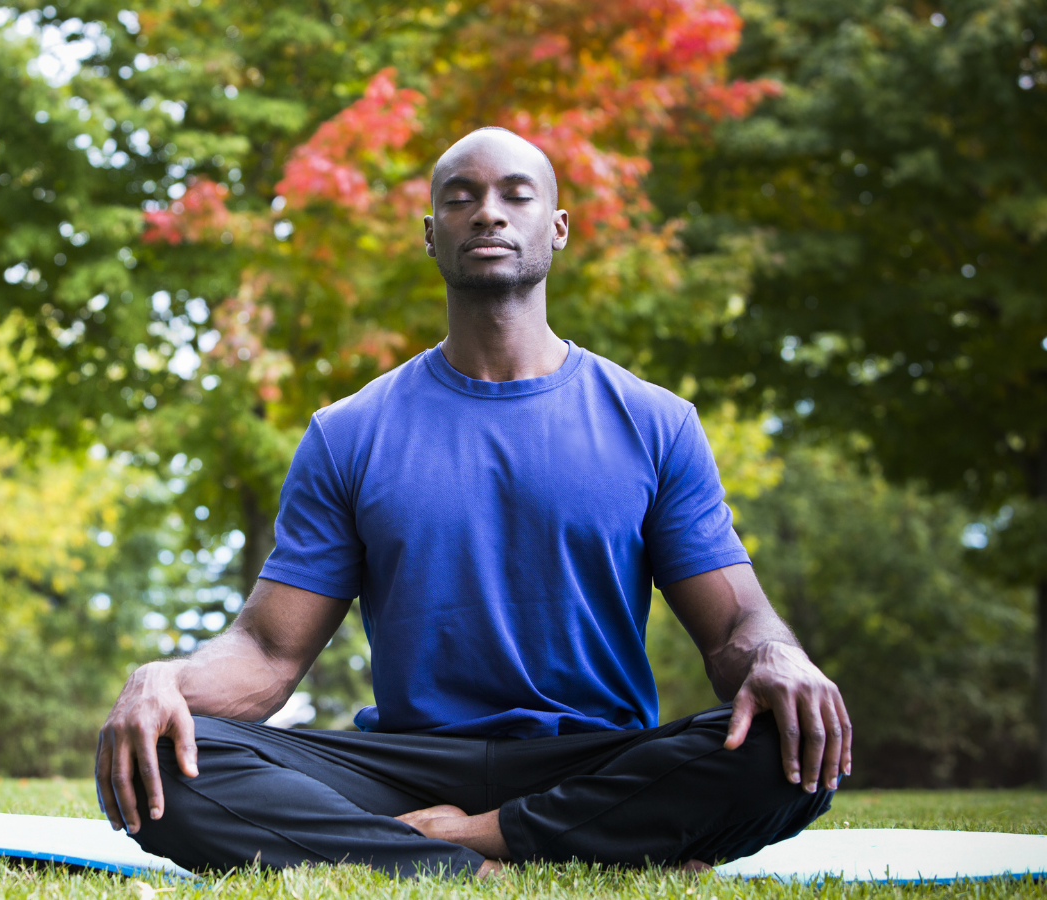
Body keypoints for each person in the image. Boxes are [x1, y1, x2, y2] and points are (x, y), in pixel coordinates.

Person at [94, 127, 849, 878]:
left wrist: (778, 656)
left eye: (516, 195)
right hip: (406, 765)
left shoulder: (656, 423)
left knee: (787, 738)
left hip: (595, 759)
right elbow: (267, 653)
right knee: (162, 757)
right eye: (461, 198)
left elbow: (734, 629)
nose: (488, 212)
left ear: (558, 227)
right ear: (432, 235)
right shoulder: (348, 432)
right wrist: (167, 680)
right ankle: (535, 853)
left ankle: (466, 841)